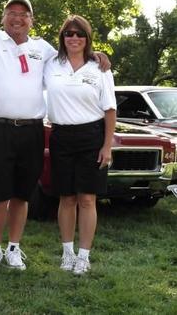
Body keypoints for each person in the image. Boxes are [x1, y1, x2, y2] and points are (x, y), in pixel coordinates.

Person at [0, 0, 110, 271]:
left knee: (21, 196)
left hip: (31, 131)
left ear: (32, 20)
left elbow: (74, 54)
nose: (17, 18)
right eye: (12, 13)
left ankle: (14, 249)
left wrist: (97, 56)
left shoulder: (43, 49)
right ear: (3, 17)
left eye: (24, 14)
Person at [44, 14, 116, 275]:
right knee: (67, 197)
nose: (74, 38)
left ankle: (84, 256)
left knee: (87, 198)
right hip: (61, 136)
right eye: (68, 33)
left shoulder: (100, 68)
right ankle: (67, 253)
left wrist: (106, 147)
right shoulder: (51, 64)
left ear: (87, 38)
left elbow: (110, 110)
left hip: (92, 136)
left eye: (79, 33)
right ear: (62, 37)